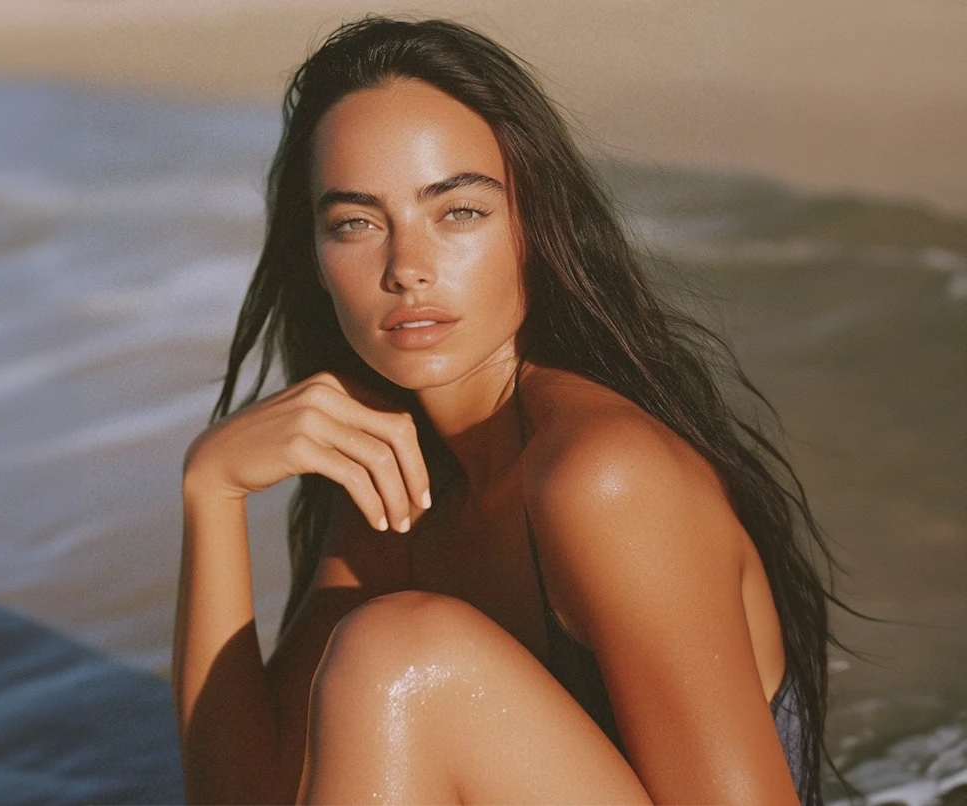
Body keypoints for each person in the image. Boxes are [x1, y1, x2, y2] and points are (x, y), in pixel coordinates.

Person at [173, 14, 842, 806]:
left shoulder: (604, 478)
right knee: (390, 652)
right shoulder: (401, 483)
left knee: (399, 656)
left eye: (458, 211)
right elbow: (244, 796)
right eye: (355, 223)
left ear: (535, 226)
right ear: (316, 262)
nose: (406, 268)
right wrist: (211, 489)